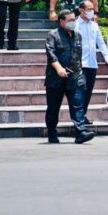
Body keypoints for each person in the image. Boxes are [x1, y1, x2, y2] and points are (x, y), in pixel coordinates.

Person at [44, 9, 96, 144]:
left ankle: (81, 131)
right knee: (53, 107)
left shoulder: (77, 35)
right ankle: (52, 132)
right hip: (55, 77)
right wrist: (59, 68)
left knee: (77, 104)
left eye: (74, 20)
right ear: (61, 22)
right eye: (70, 20)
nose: (73, 22)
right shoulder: (53, 35)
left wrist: (74, 72)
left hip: (74, 76)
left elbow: (77, 56)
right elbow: (51, 54)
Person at [76, 0, 108, 125]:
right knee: (81, 89)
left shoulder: (94, 26)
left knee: (88, 91)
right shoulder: (75, 25)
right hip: (80, 64)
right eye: (89, 9)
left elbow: (100, 42)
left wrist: (107, 57)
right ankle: (78, 117)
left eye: (93, 9)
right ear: (81, 10)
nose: (92, 12)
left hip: (92, 63)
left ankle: (83, 115)